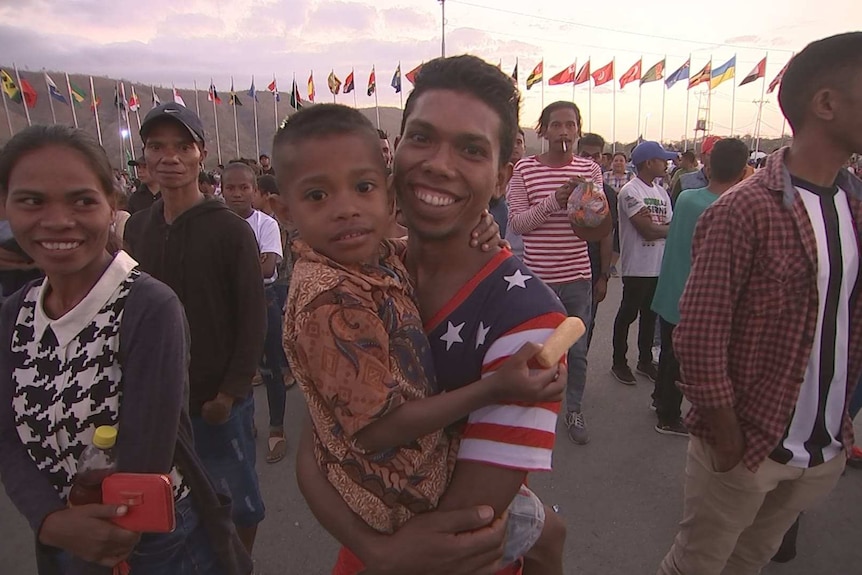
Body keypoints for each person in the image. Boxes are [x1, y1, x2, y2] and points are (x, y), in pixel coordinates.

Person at [294, 55, 572, 575]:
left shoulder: (528, 320)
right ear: (395, 152)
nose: (439, 164)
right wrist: (373, 549)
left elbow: (459, 535)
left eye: (470, 149)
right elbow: (314, 446)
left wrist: (379, 549)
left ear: (501, 176)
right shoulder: (357, 281)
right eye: (422, 138)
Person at [0, 124, 252, 575]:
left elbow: (146, 452)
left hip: (153, 545)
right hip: (61, 539)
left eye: (81, 201)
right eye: (32, 201)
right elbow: (5, 433)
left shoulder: (147, 307)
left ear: (110, 206)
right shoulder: (12, 317)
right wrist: (50, 520)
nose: (58, 220)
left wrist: (232, 388)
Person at [657, 32, 862, 575]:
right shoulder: (744, 208)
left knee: (750, 563)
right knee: (695, 567)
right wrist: (728, 439)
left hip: (819, 452)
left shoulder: (854, 206)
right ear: (826, 104)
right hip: (747, 451)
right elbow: (698, 335)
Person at [124, 102, 267, 554]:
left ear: (200, 153)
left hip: (216, 403)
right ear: (145, 157)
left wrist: (230, 392)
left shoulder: (229, 230)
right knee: (171, 510)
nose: (170, 157)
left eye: (182, 146)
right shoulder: (139, 229)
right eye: (157, 147)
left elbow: (252, 315)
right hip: (158, 402)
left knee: (239, 506)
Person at [508, 101, 610, 445]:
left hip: (578, 277)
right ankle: (534, 412)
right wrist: (555, 199)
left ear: (578, 130)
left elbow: (595, 228)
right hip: (537, 280)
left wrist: (586, 205)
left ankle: (574, 409)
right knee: (538, 350)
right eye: (556, 125)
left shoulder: (590, 170)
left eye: (570, 125)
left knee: (577, 351)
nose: (564, 132)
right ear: (543, 130)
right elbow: (520, 224)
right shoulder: (523, 169)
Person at [650, 138, 749, 437]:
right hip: (697, 299)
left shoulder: (688, 198)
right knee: (683, 361)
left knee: (669, 352)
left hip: (670, 288)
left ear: (709, 164)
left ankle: (660, 403)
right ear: (743, 170)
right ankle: (668, 415)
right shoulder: (730, 207)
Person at [221, 163, 289, 465]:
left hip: (264, 301)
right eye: (230, 188)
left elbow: (268, 268)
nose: (237, 194)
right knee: (237, 369)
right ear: (221, 190)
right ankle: (246, 420)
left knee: (271, 368)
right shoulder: (215, 224)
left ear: (255, 191)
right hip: (226, 304)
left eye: (243, 188)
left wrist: (226, 269)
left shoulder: (266, 224)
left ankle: (277, 427)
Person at [610, 141, 675, 386]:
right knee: (628, 314)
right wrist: (663, 228)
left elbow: (668, 225)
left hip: (658, 265)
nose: (666, 164)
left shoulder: (661, 192)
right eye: (662, 160)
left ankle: (645, 360)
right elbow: (647, 231)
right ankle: (619, 361)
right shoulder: (631, 191)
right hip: (637, 265)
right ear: (649, 163)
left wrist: (660, 228)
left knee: (650, 316)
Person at [576, 133, 618, 348]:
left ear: (603, 158)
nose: (591, 160)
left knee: (584, 333)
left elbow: (606, 236)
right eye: (585, 155)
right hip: (557, 273)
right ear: (577, 154)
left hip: (591, 273)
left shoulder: (607, 193)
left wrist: (604, 276)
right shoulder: (565, 188)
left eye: (596, 156)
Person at [506, 128, 527, 259]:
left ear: (524, 148)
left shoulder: (532, 179)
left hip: (527, 256)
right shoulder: (491, 178)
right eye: (511, 142)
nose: (515, 147)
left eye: (519, 142)